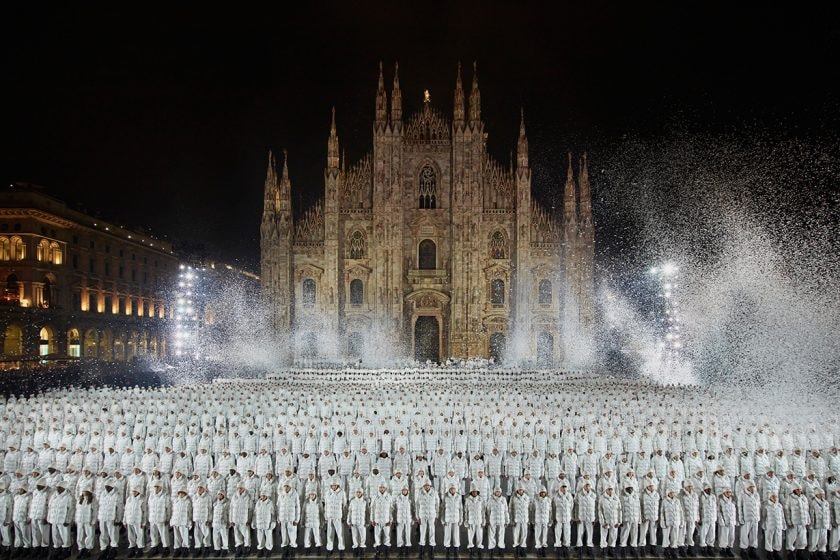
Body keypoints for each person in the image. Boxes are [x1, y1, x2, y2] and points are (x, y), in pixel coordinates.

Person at [148, 482, 172, 556]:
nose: (156, 488)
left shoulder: (165, 496)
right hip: (153, 518)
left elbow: (169, 509)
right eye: (155, 487)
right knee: (153, 534)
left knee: (164, 534)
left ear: (161, 488)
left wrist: (167, 518)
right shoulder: (151, 496)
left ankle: (166, 548)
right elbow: (149, 507)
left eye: (157, 487)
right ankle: (154, 547)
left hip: (162, 519)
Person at [416, 482, 440, 556]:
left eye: (428, 485)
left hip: (432, 515)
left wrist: (437, 516)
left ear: (430, 486)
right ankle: (421, 548)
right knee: (422, 531)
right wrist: (417, 516)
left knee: (432, 531)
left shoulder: (434, 492)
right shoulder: (420, 493)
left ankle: (432, 548)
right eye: (425, 485)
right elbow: (417, 505)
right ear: (423, 486)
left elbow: (437, 504)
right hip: (422, 515)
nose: (426, 487)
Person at [123, 487, 146, 558]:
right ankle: (132, 549)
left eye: (135, 491)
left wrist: (143, 522)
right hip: (129, 520)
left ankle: (140, 549)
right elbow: (126, 511)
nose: (133, 492)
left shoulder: (141, 500)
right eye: (133, 491)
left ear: (138, 492)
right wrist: (124, 520)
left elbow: (144, 512)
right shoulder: (129, 499)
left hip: (138, 521)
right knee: (130, 535)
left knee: (139, 535)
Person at [324, 482, 347, 552]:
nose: (334, 487)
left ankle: (341, 548)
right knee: (330, 534)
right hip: (330, 516)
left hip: (338, 517)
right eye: (332, 485)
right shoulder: (327, 493)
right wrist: (326, 516)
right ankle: (329, 548)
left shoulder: (342, 492)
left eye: (335, 485)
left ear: (337, 485)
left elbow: (344, 506)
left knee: (340, 534)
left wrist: (344, 516)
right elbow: (326, 505)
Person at [230, 485, 252, 557]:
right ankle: (239, 549)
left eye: (241, 488)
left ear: (244, 488)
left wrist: (249, 519)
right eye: (238, 488)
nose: (240, 489)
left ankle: (246, 549)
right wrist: (231, 520)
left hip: (244, 520)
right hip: (235, 519)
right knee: (237, 535)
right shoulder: (234, 497)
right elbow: (231, 509)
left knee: (246, 535)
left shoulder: (248, 497)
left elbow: (250, 509)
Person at [598, 486, 621, 554]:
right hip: (606, 521)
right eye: (609, 489)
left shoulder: (616, 498)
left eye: (611, 489)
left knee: (613, 535)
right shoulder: (602, 498)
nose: (610, 491)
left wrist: (619, 521)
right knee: (603, 535)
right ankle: (603, 549)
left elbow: (620, 510)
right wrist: (603, 522)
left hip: (614, 520)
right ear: (606, 490)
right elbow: (600, 511)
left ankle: (611, 548)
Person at [487, 487, 510, 555]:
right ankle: (491, 549)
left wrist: (507, 520)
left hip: (501, 521)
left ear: (501, 492)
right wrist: (488, 520)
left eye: (499, 492)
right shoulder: (490, 499)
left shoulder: (503, 499)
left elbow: (506, 511)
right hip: (492, 520)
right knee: (491, 535)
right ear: (494, 492)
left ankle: (501, 549)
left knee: (501, 535)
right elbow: (488, 510)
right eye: (496, 492)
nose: (498, 493)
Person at [170, 489, 193, 558]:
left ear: (185, 494)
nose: (181, 494)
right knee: (176, 536)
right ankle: (177, 549)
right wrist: (172, 520)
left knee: (185, 536)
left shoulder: (187, 502)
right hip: (176, 521)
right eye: (179, 493)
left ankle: (185, 549)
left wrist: (189, 521)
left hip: (184, 521)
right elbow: (173, 511)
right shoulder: (175, 501)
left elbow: (190, 512)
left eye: (182, 493)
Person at [253, 491, 276, 557]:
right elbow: (255, 513)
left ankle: (268, 550)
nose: (262, 497)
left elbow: (273, 514)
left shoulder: (270, 503)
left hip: (267, 524)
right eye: (261, 496)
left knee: (269, 538)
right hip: (259, 523)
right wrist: (253, 522)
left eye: (264, 496)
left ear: (267, 496)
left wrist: (273, 522)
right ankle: (261, 550)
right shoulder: (258, 503)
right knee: (260, 538)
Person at [762, 493, 784, 560]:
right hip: (770, 525)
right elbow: (764, 516)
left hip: (778, 525)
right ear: (770, 498)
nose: (775, 498)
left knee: (778, 539)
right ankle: (769, 553)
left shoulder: (779, 506)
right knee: (769, 538)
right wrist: (764, 524)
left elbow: (782, 516)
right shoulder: (767, 506)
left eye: (776, 496)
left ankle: (776, 552)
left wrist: (783, 524)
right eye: (773, 496)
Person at [464, 485, 485, 551]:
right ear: (471, 492)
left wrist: (483, 521)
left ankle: (479, 549)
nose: (474, 493)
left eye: (476, 491)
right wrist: (466, 521)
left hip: (479, 521)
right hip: (471, 521)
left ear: (477, 492)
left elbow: (483, 511)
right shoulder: (467, 500)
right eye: (473, 491)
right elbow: (466, 511)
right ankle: (471, 549)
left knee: (479, 535)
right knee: (470, 535)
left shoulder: (481, 499)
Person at [699, 484, 718, 555]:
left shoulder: (713, 497)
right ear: (704, 490)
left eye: (710, 489)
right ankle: (703, 547)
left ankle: (710, 547)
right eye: (708, 489)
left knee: (712, 534)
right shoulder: (702, 497)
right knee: (703, 533)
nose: (709, 490)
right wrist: (700, 518)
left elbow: (715, 508)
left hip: (712, 518)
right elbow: (700, 508)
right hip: (705, 518)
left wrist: (715, 517)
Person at [443, 484, 463, 550]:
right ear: (449, 489)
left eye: (453, 488)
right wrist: (442, 519)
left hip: (456, 518)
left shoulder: (459, 497)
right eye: (451, 489)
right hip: (447, 519)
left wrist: (461, 519)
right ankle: (447, 546)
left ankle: (456, 547)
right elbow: (442, 508)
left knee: (456, 534)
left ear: (455, 489)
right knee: (447, 534)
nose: (452, 490)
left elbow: (461, 509)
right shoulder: (445, 497)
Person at [533, 486, 552, 555]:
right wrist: (532, 520)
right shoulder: (536, 500)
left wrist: (550, 520)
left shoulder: (548, 500)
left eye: (544, 492)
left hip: (545, 520)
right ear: (539, 493)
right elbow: (533, 510)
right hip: (538, 520)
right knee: (538, 535)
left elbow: (550, 511)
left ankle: (544, 548)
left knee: (544, 535)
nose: (543, 494)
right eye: (541, 492)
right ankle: (538, 548)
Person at [718, 489, 737, 558]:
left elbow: (734, 511)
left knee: (731, 536)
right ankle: (723, 549)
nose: (729, 493)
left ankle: (729, 548)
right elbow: (719, 512)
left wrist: (735, 520)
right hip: (725, 522)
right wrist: (721, 521)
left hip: (732, 521)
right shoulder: (721, 501)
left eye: (730, 492)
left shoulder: (733, 501)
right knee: (724, 536)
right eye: (727, 492)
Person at [348, 488, 368, 553]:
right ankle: (355, 547)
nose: (358, 493)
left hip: (362, 522)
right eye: (357, 492)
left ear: (362, 493)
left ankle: (362, 547)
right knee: (354, 535)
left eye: (359, 492)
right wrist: (349, 521)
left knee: (363, 535)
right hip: (354, 522)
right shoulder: (352, 501)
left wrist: (367, 521)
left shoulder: (364, 502)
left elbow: (368, 512)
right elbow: (350, 512)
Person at [212, 491, 231, 557]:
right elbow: (213, 513)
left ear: (223, 495)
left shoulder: (227, 503)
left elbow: (229, 513)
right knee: (216, 537)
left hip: (223, 523)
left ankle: (225, 549)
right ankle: (217, 549)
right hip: (215, 523)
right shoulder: (215, 503)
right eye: (218, 494)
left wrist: (229, 522)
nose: (219, 495)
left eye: (221, 494)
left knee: (224, 537)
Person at [394, 486, 413, 550]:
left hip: (408, 518)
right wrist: (395, 519)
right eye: (403, 490)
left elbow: (413, 509)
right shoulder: (398, 498)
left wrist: (412, 518)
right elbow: (395, 509)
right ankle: (400, 546)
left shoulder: (410, 499)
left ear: (408, 491)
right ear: (401, 491)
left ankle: (408, 545)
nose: (404, 491)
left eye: (406, 490)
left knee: (408, 532)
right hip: (400, 518)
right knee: (399, 533)